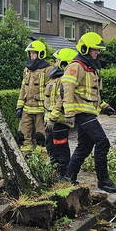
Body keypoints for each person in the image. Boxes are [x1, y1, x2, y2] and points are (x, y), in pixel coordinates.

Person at [62, 32, 116, 193]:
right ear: (85, 49)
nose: (98, 53)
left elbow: (92, 94)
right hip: (81, 113)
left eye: (98, 50)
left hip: (89, 113)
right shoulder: (76, 67)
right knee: (103, 142)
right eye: (95, 50)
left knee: (84, 147)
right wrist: (69, 113)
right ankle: (103, 181)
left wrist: (103, 106)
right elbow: (67, 90)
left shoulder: (91, 69)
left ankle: (68, 178)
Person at [44, 47, 78, 179]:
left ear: (63, 63)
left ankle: (64, 173)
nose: (54, 62)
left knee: (60, 148)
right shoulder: (54, 79)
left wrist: (52, 118)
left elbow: (61, 101)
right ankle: (55, 171)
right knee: (50, 146)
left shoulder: (64, 80)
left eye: (56, 60)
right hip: (51, 121)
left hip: (59, 121)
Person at [15, 40, 51, 152]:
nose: (31, 56)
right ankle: (27, 160)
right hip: (27, 108)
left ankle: (42, 162)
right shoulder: (27, 69)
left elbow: (51, 91)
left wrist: (49, 110)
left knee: (41, 137)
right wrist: (19, 106)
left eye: (34, 53)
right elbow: (23, 88)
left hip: (41, 110)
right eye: (30, 53)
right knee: (22, 136)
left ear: (40, 54)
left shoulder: (48, 69)